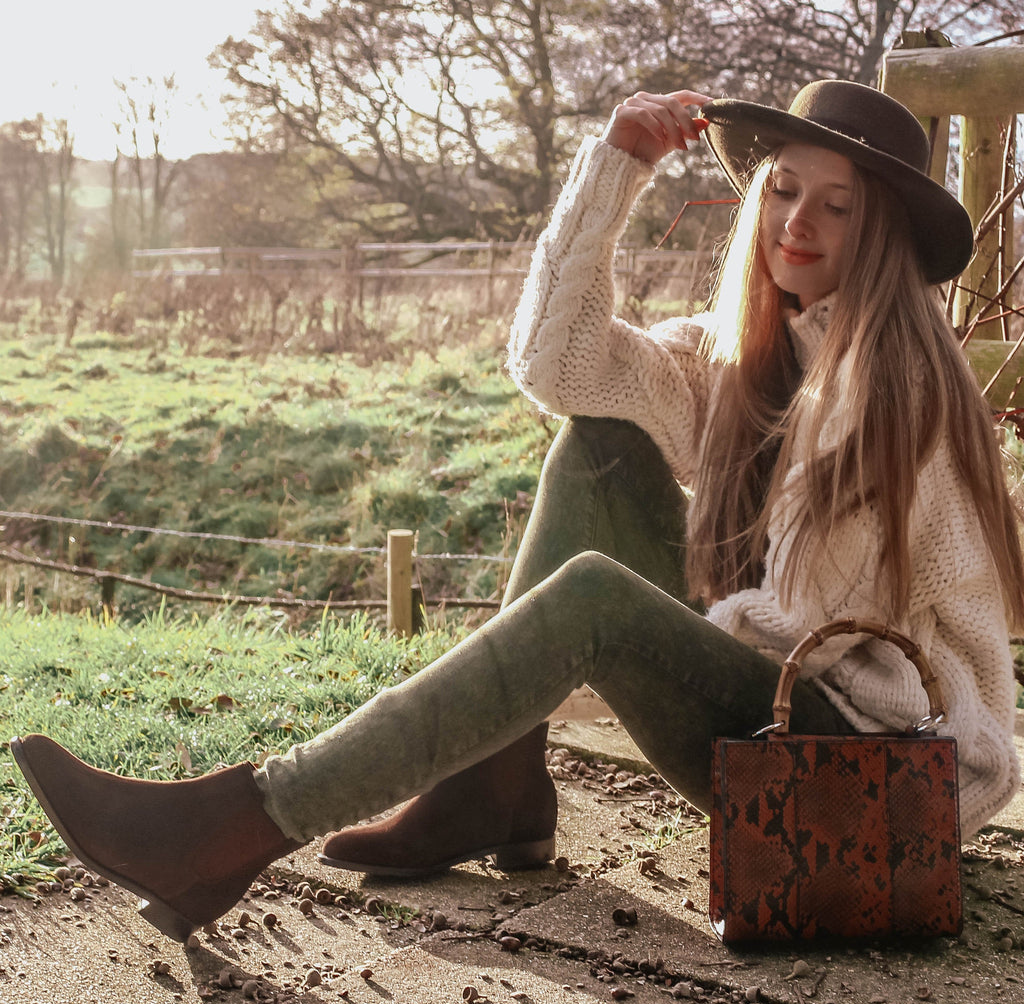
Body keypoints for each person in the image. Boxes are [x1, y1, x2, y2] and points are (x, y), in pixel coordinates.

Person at [13, 79, 1024, 944]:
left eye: (837, 206)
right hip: (781, 706)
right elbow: (561, 367)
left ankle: (233, 827)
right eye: (782, 189)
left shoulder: (898, 391)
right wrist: (613, 170)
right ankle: (492, 783)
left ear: (881, 231)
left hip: (879, 774)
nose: (796, 223)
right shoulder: (744, 354)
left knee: (592, 601)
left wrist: (639, 624)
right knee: (597, 444)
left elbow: (813, 624)